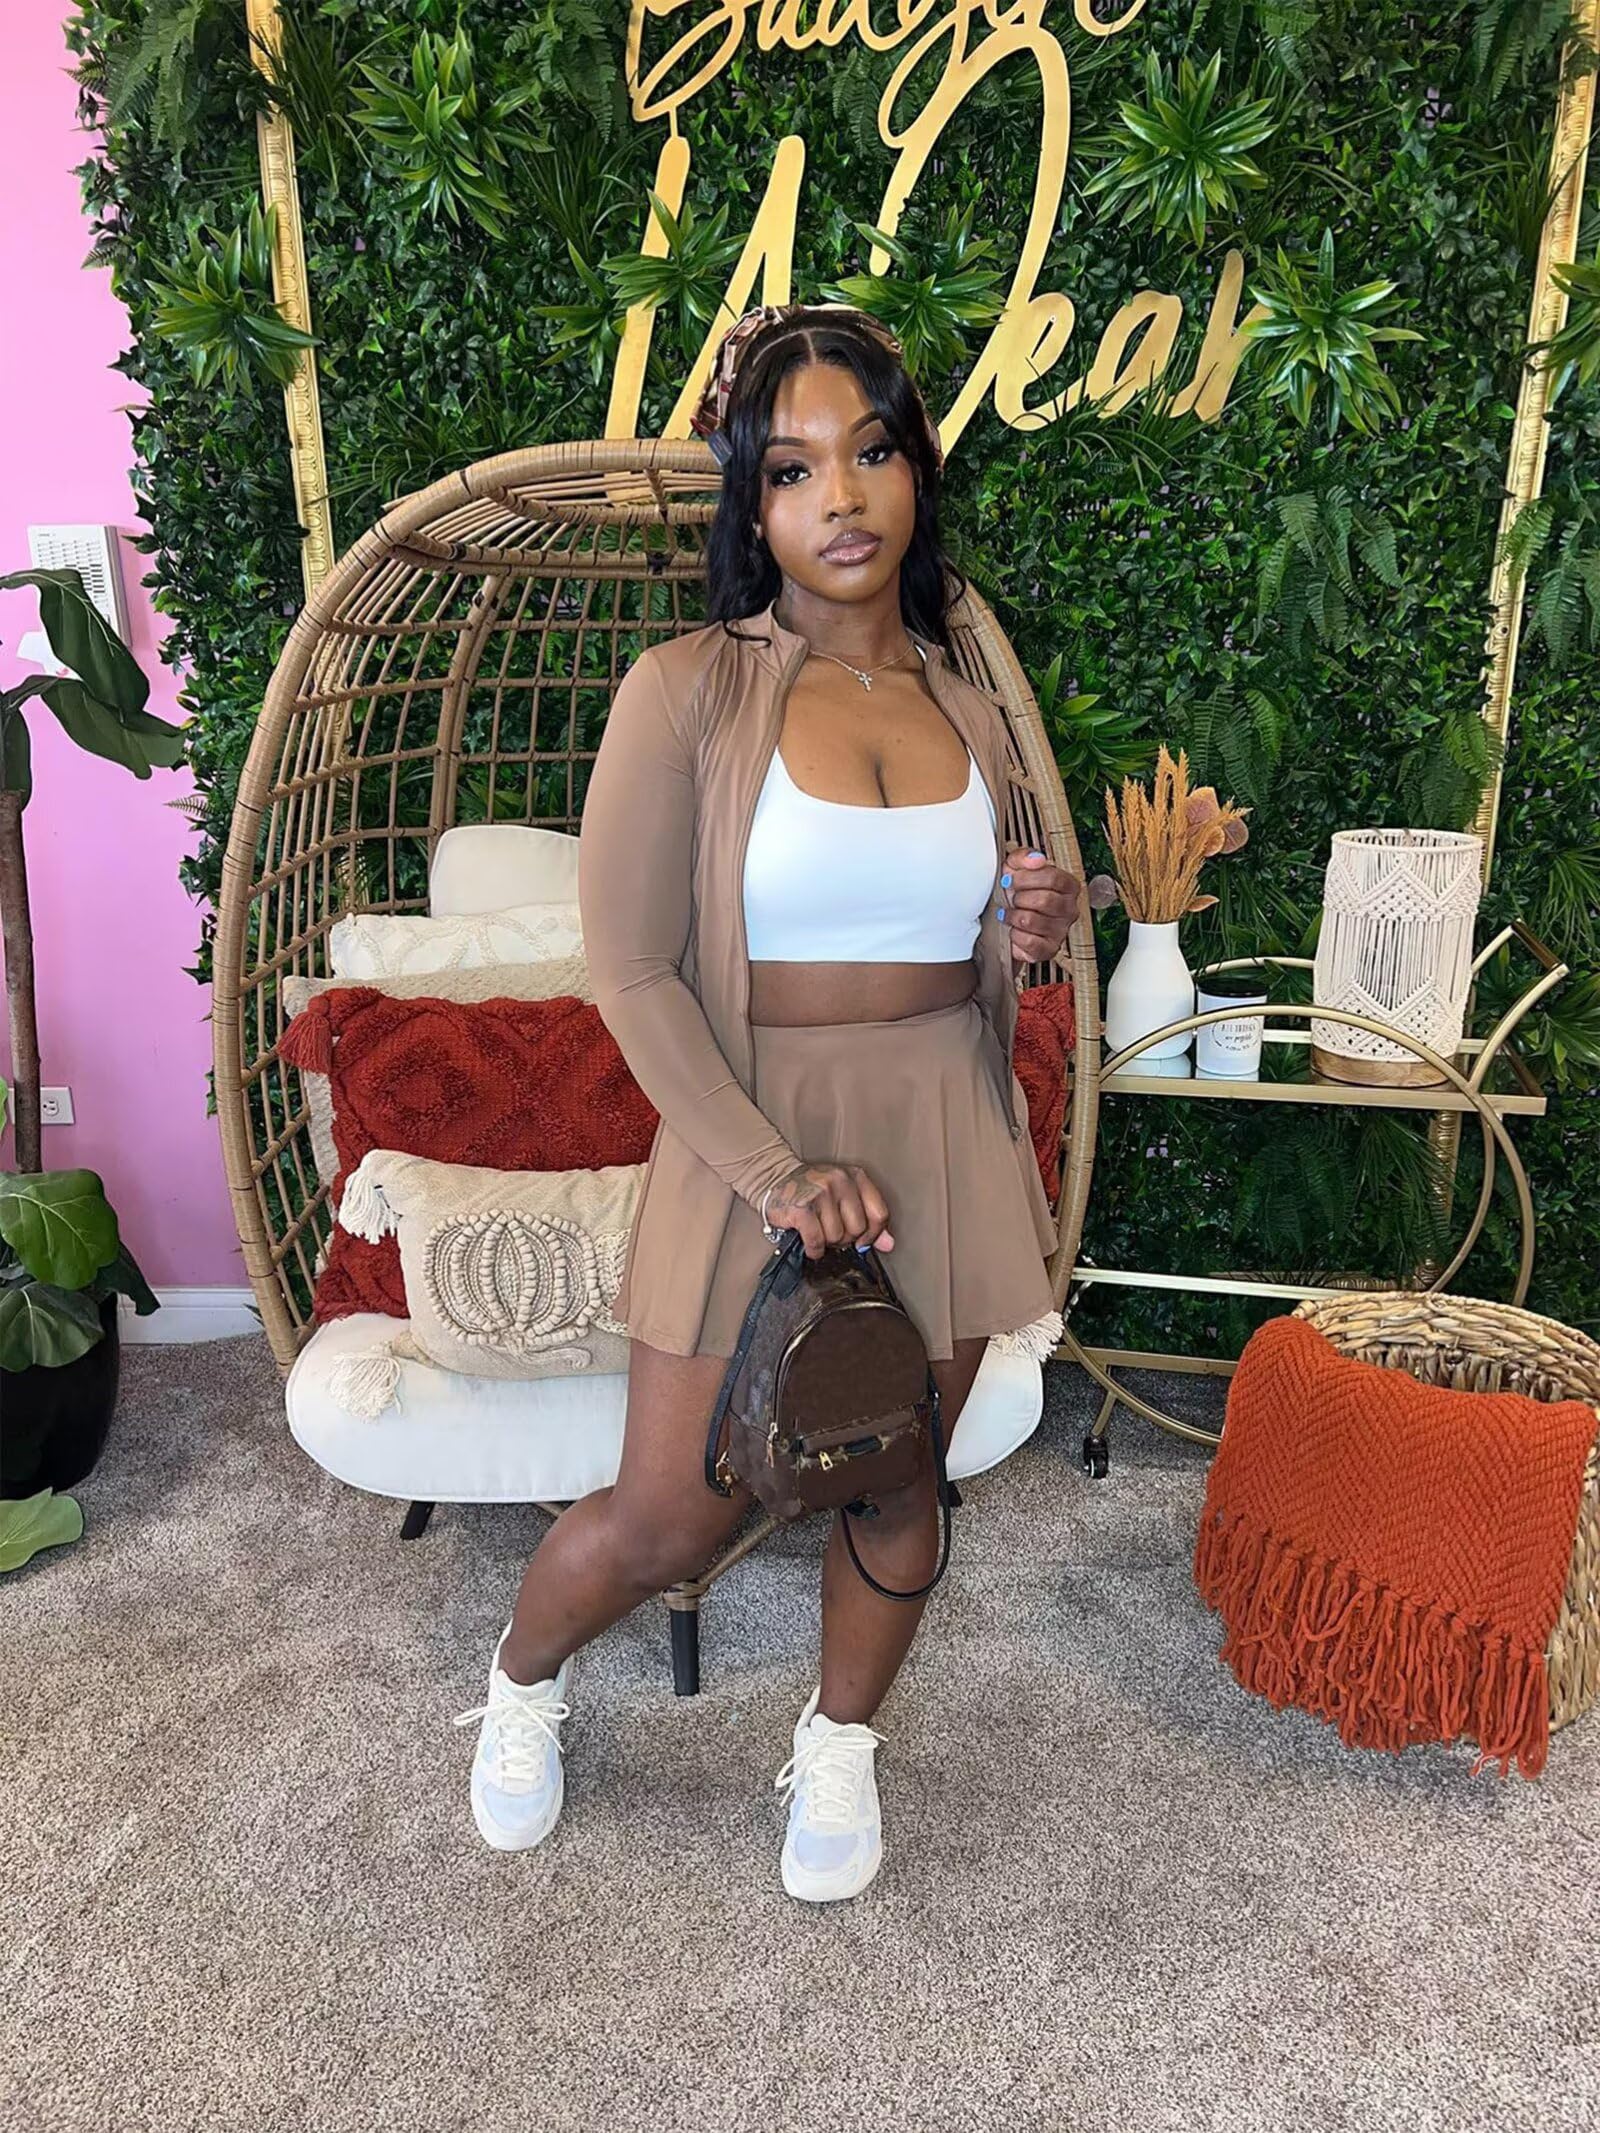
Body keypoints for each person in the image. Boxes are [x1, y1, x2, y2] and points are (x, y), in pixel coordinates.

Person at [455, 303, 1082, 1901]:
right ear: (751, 504)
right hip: (753, 1136)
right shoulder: (684, 690)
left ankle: (840, 1738)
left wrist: (1021, 928)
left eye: (871, 454)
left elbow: (971, 943)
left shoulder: (970, 702)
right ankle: (521, 1678)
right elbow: (633, 965)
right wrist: (776, 1170)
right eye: (794, 469)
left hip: (938, 1129)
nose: (842, 498)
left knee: (900, 1479)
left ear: (915, 470)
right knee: (670, 1518)